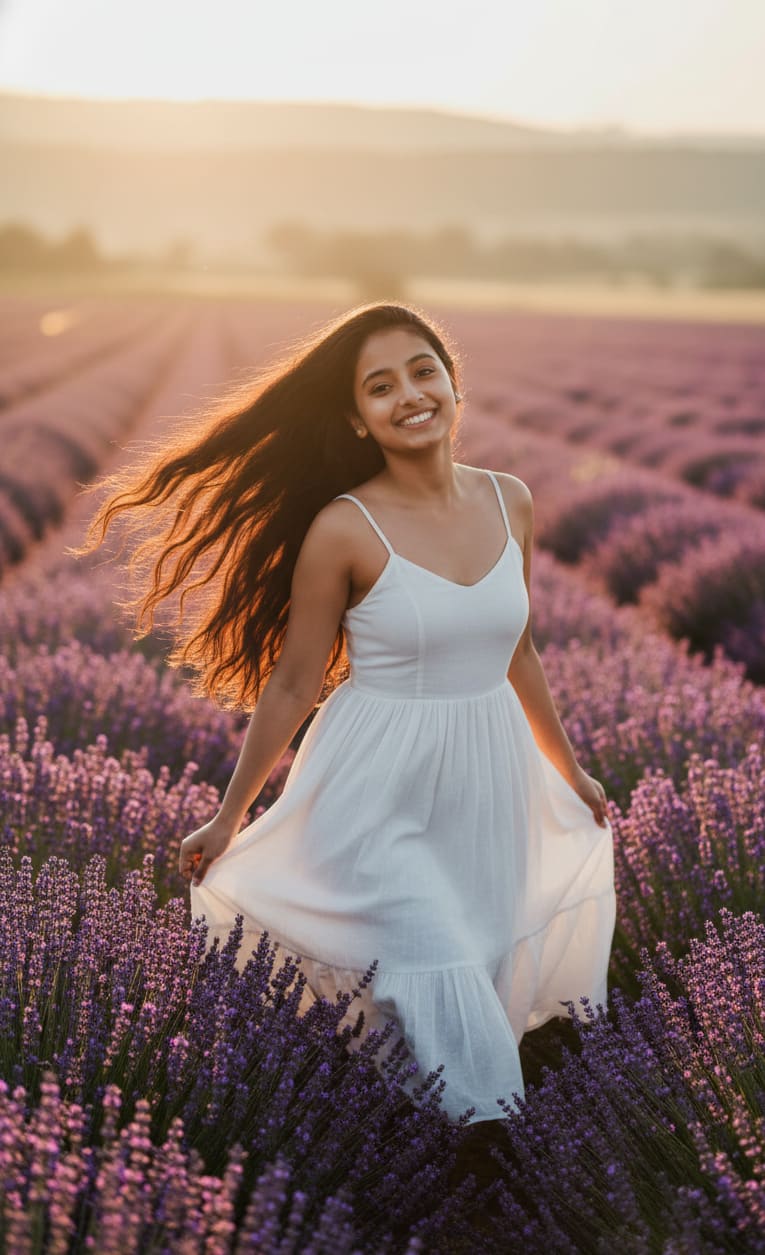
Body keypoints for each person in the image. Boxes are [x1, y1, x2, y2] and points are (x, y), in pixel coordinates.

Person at [76, 301, 616, 1124]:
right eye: (379, 386)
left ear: (453, 382)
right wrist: (229, 817)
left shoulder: (511, 502)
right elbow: (293, 685)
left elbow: (518, 652)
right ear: (357, 419)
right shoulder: (343, 528)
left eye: (422, 371)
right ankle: (491, 1137)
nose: (408, 395)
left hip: (488, 775)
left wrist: (566, 768)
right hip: (375, 784)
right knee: (431, 958)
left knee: (474, 958)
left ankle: (415, 1140)